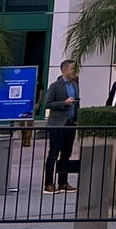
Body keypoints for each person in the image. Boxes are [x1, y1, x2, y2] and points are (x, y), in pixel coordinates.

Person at [42, 59, 80, 194]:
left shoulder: (75, 85)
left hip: (70, 123)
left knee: (66, 154)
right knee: (53, 153)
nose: (74, 71)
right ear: (64, 70)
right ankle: (49, 183)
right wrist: (64, 103)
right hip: (57, 124)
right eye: (72, 69)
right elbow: (48, 103)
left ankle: (63, 182)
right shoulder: (55, 86)